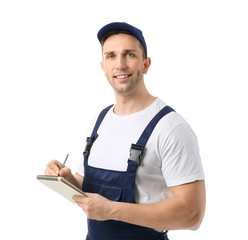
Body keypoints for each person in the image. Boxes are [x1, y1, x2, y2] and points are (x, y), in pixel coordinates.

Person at [45, 22, 206, 240]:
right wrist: (65, 180)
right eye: (111, 56)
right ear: (103, 67)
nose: (120, 64)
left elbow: (192, 215)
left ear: (146, 64)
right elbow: (90, 193)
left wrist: (111, 209)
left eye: (129, 54)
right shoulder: (99, 121)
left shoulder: (171, 128)